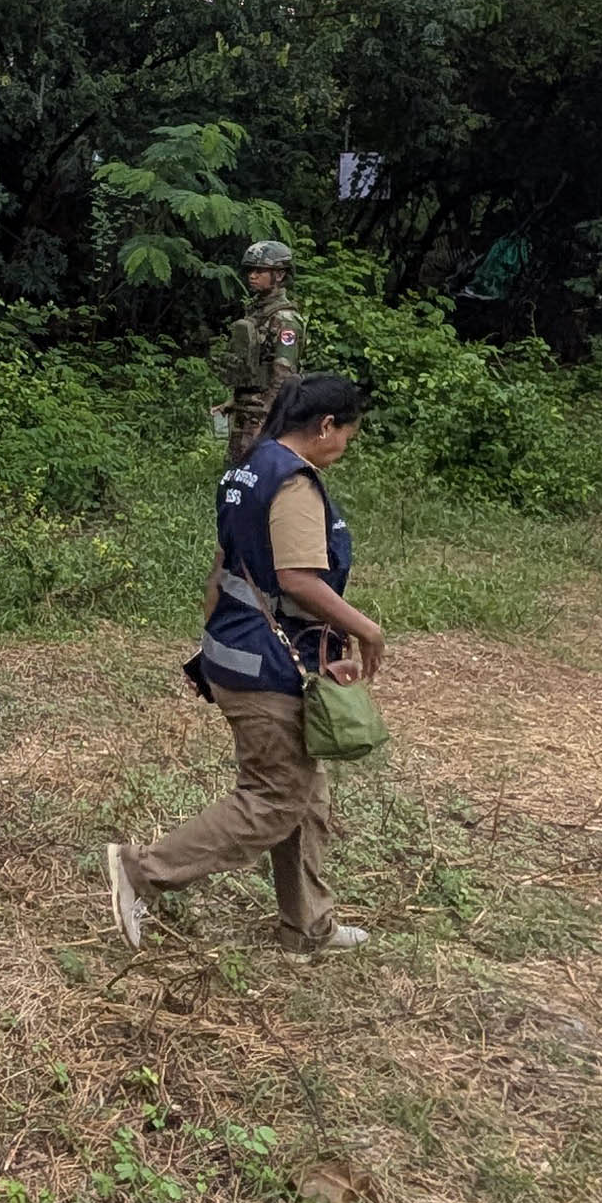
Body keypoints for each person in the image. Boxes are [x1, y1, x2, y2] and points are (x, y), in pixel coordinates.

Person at [104, 372, 387, 955]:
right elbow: (296, 580)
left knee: (306, 797)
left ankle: (307, 928)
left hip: (239, 647)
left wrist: (212, 651)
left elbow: (222, 568)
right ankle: (143, 870)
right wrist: (367, 629)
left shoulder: (245, 470)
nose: (342, 451)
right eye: (346, 437)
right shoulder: (294, 483)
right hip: (270, 663)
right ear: (327, 425)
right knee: (275, 798)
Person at [216, 241, 303, 452]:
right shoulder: (257, 313)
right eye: (250, 270)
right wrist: (234, 400)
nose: (252, 276)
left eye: (260, 271)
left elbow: (284, 375)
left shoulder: (285, 319)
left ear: (279, 275)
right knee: (236, 472)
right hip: (247, 408)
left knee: (257, 473)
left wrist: (268, 418)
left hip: (264, 414)